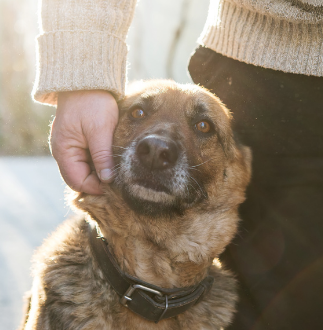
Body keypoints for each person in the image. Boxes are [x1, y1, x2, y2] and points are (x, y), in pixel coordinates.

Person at [33, 1, 323, 329]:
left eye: (203, 128)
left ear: (238, 169)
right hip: (253, 66)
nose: (158, 146)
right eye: (139, 114)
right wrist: (83, 75)